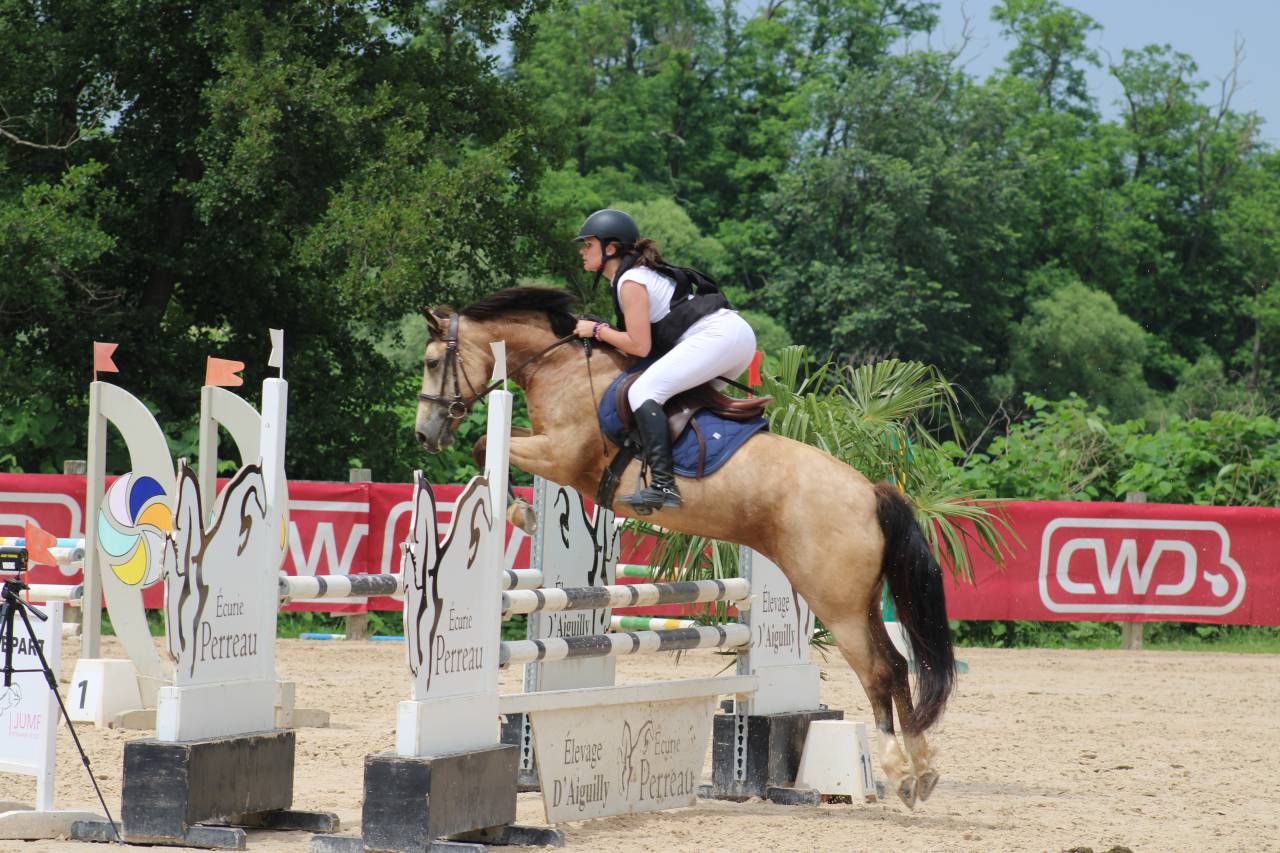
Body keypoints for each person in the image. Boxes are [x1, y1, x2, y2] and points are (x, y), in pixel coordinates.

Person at [572, 208, 757, 512]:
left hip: (718, 337)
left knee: (642, 392)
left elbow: (639, 347)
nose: (582, 251)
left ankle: (663, 485)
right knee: (672, 403)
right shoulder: (633, 277)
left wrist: (598, 330)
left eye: (588, 244)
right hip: (732, 339)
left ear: (611, 248)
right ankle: (689, 475)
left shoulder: (630, 280)